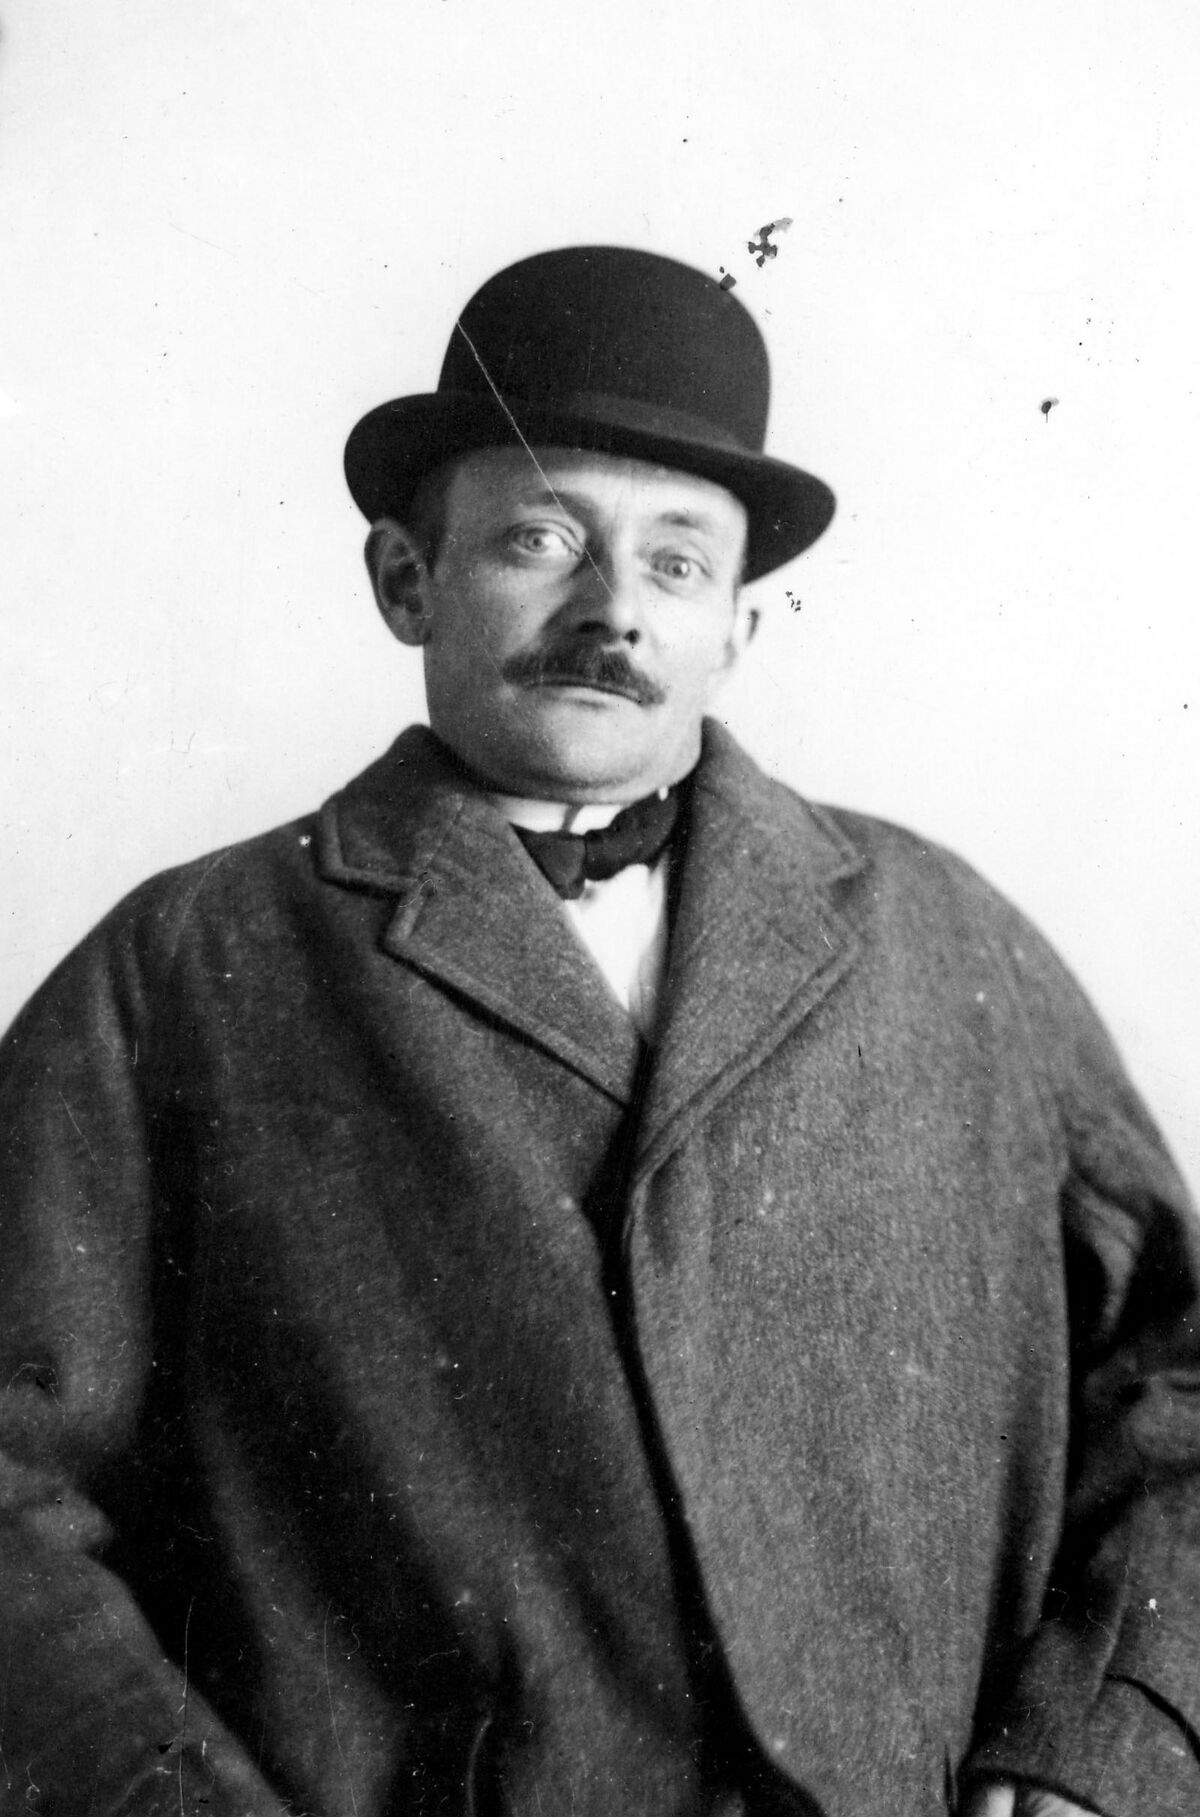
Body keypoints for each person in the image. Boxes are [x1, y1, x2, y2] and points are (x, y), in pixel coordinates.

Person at [0, 246, 1196, 1817]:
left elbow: (1181, 1379)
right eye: (541, 538)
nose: (613, 610)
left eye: (677, 562)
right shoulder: (183, 966)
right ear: (406, 578)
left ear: (737, 628)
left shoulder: (948, 934)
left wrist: (1103, 1751)